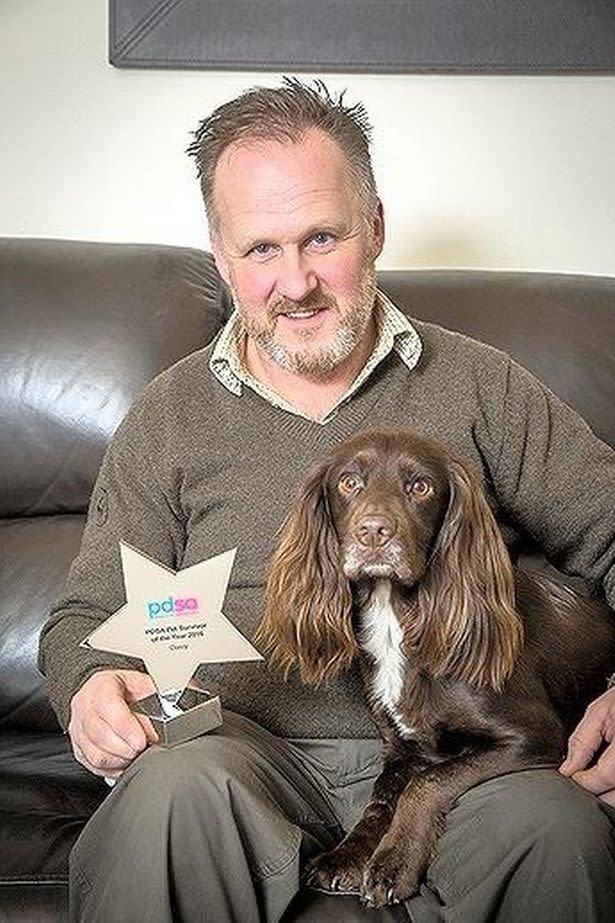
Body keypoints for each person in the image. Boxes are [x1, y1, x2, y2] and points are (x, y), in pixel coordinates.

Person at [39, 78, 615, 923]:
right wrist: (89, 685)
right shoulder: (169, 414)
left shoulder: (483, 386)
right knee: (171, 793)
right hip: (234, 755)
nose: (296, 281)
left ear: (374, 226)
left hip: (456, 761)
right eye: (260, 249)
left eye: (321, 238)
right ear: (220, 254)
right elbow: (84, 613)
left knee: (557, 832)